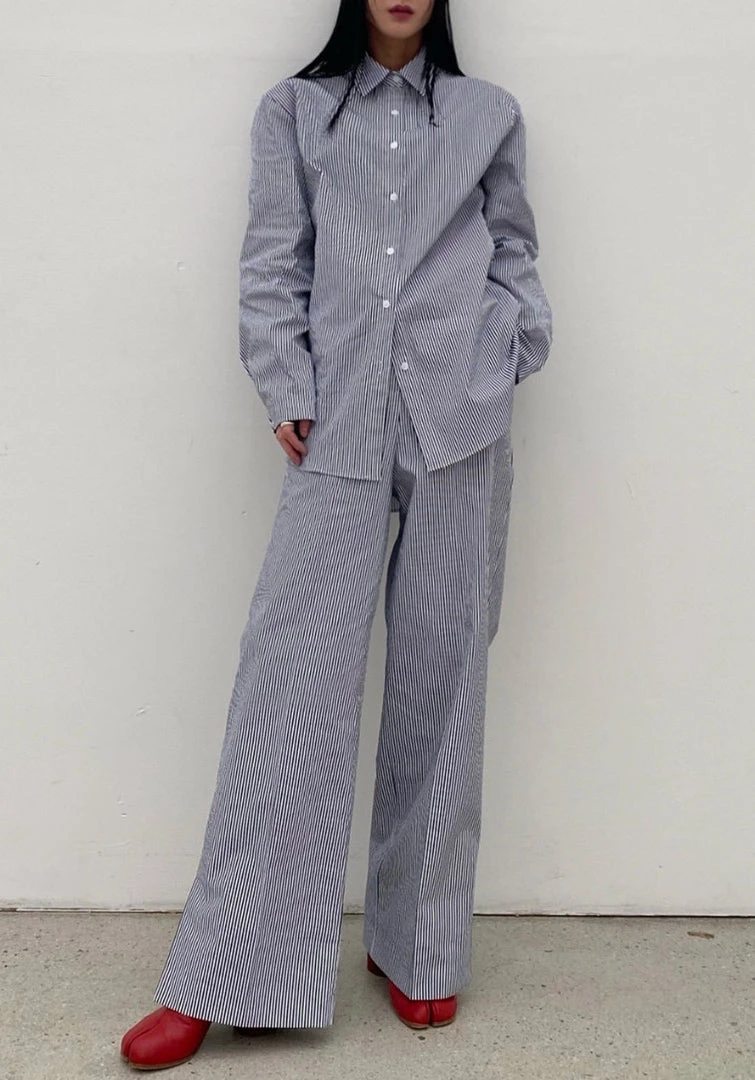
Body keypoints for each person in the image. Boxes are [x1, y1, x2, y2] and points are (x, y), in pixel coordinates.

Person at [120, 0, 552, 1070]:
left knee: (443, 684)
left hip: (460, 424)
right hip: (338, 426)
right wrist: (286, 384)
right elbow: (273, 259)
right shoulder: (296, 113)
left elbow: (514, 250)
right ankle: (234, 972)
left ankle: (420, 947)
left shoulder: (488, 114)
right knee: (289, 695)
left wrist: (509, 347)